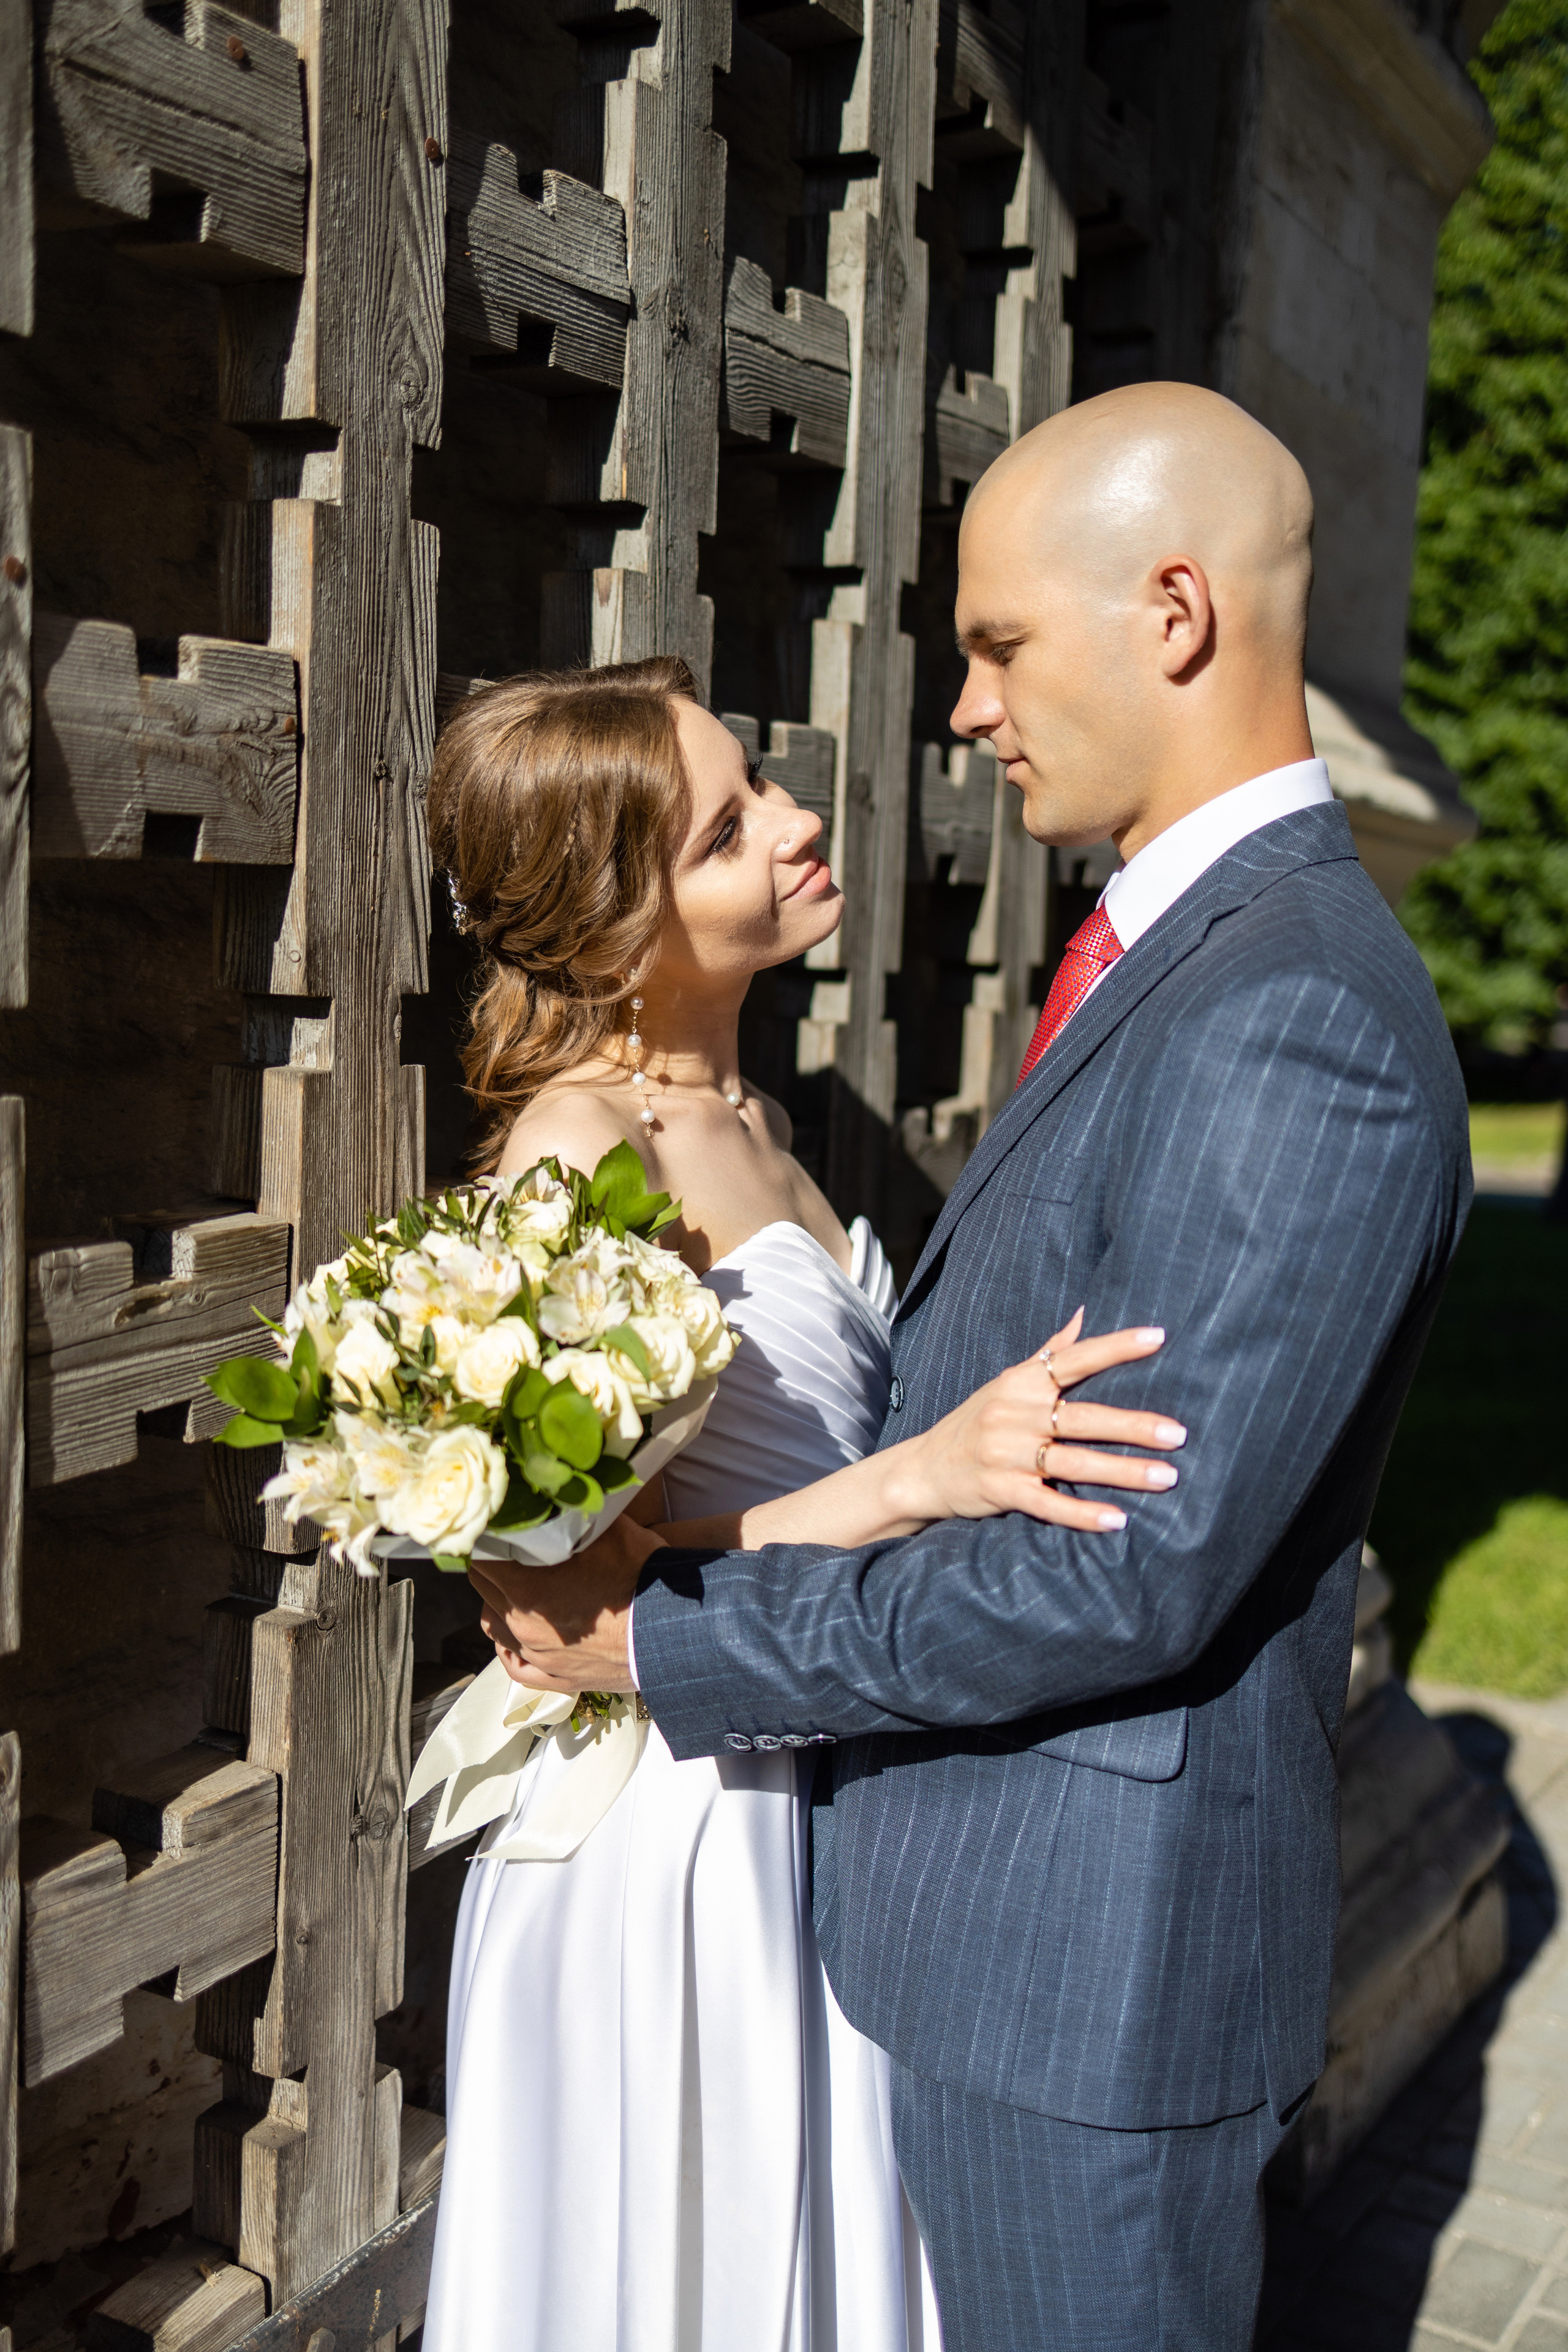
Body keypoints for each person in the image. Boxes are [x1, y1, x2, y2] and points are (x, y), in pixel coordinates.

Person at [476, 383, 1474, 2351]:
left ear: (1173, 611)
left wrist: (669, 1645)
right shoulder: (1184, 954)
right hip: (914, 1912)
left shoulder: (1293, 1015)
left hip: (1078, 1982)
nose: (961, 710)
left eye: (1000, 643)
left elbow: (1126, 1568)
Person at [418, 655, 1187, 2351]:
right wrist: (923, 1477)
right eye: (725, 829)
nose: (795, 822)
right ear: (617, 924)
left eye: (760, 782)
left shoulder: (755, 1113)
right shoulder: (575, 1153)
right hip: (683, 1820)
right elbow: (567, 1610)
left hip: (813, 1747)